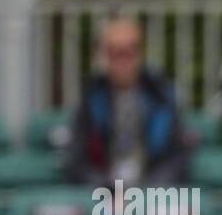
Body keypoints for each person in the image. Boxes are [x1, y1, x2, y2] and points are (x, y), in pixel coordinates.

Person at [65, 17, 189, 189]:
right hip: (104, 194)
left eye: (130, 51)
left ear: (140, 53)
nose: (123, 61)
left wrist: (148, 189)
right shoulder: (90, 96)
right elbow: (76, 160)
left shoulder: (162, 95)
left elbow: (178, 158)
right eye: (115, 53)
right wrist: (106, 187)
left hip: (152, 191)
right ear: (105, 56)